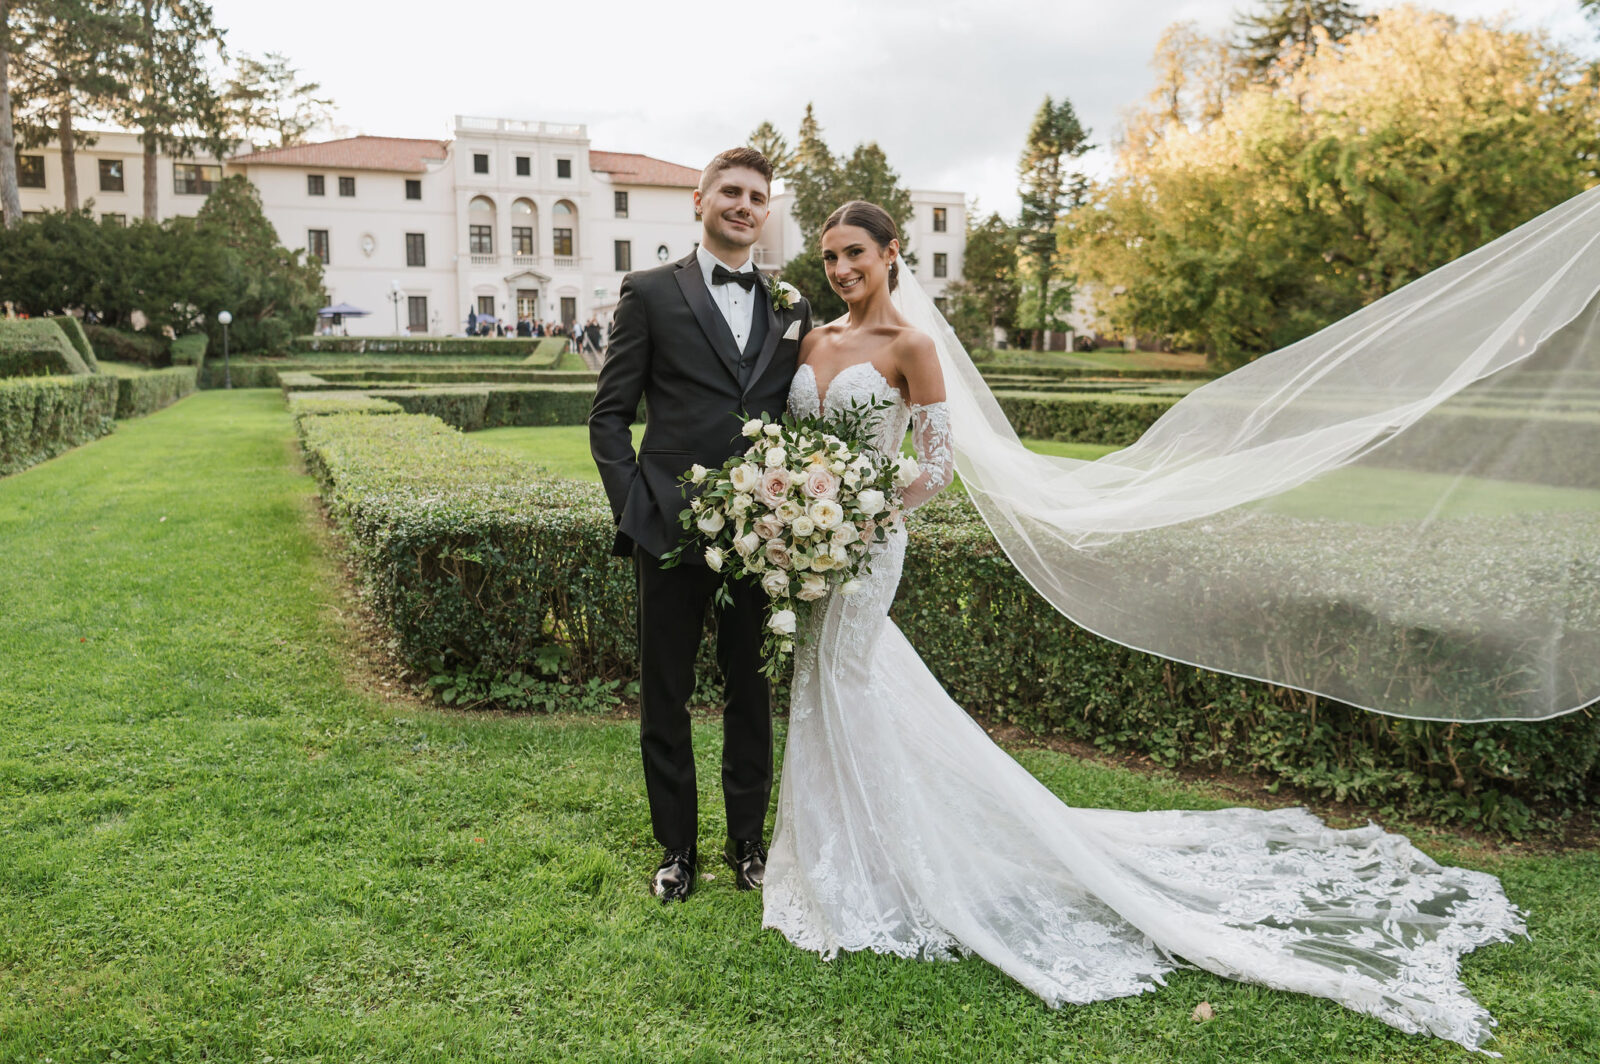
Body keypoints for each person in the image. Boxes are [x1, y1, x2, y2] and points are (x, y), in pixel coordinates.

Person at [760, 201, 1524, 1053]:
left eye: (854, 252)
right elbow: (795, 445)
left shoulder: (913, 348)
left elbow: (935, 468)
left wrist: (860, 515)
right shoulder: (813, 341)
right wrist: (794, 512)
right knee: (815, 680)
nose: (839, 268)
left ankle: (883, 867)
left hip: (866, 548)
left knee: (849, 678)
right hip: (808, 549)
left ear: (892, 253)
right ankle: (833, 849)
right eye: (829, 256)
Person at [589, 147, 812, 903]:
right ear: (699, 200)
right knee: (666, 694)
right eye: (730, 192)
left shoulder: (791, 308)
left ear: (767, 210)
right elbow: (610, 417)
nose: (744, 205)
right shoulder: (649, 292)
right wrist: (636, 505)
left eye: (756, 196)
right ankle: (677, 849)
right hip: (668, 531)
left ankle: (748, 844)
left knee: (753, 693)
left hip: (762, 535)